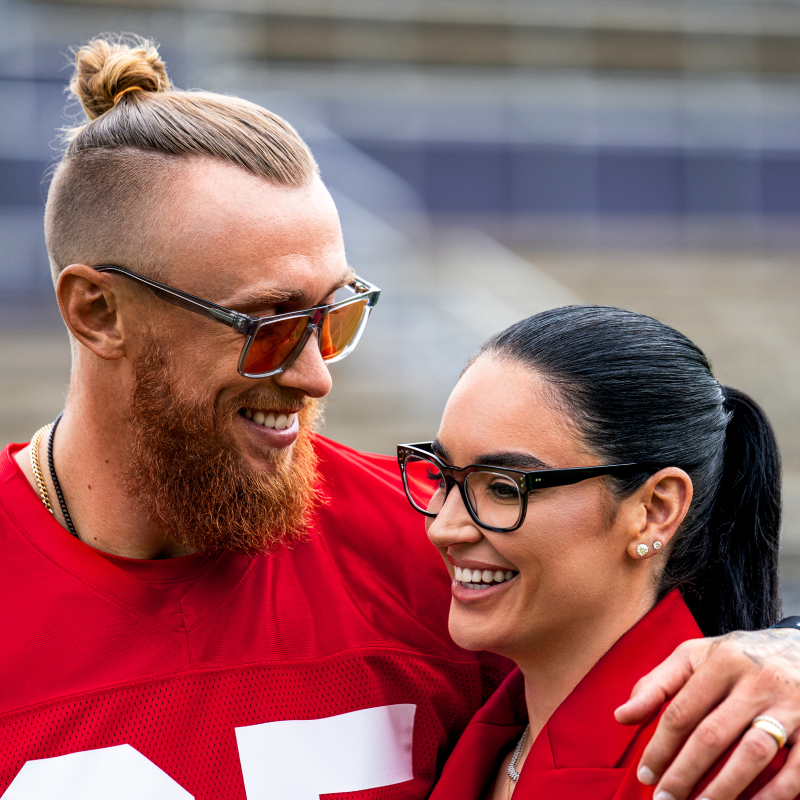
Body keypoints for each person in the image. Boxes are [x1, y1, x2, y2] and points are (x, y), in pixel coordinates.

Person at [1, 34, 800, 800]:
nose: (315, 376)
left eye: (336, 317)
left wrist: (788, 648)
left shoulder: (432, 548)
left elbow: (651, 649)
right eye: (269, 325)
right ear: (97, 311)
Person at [395, 305, 790, 800]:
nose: (445, 528)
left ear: (654, 510)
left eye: (502, 487)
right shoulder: (480, 734)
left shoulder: (731, 769)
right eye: (441, 476)